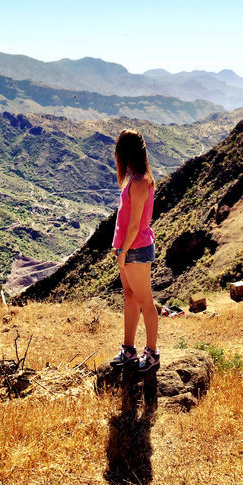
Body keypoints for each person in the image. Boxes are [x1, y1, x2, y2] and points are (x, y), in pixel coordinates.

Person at [108, 129, 159, 373]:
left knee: (145, 301)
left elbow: (136, 224)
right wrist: (120, 249)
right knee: (130, 296)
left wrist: (124, 251)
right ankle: (129, 348)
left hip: (135, 250)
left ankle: (152, 352)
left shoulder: (139, 183)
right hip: (129, 249)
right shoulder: (136, 180)